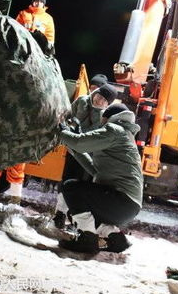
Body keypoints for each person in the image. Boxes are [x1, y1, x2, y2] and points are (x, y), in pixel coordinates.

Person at [0, 0, 57, 206]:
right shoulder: (23, 14)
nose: (37, 3)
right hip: (20, 55)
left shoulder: (48, 20)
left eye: (40, 1)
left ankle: (15, 196)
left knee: (18, 158)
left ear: (44, 3)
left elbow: (50, 43)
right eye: (35, 0)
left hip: (37, 56)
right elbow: (14, 32)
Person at [57, 103, 143, 254]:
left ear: (107, 117)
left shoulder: (114, 130)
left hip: (120, 201)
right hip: (127, 206)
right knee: (79, 210)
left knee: (71, 188)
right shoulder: (125, 134)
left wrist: (62, 132)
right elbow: (94, 169)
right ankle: (117, 240)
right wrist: (73, 144)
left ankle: (87, 240)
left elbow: (79, 143)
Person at [53, 83, 119, 228]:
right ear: (95, 92)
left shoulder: (105, 115)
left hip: (88, 156)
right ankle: (59, 213)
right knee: (66, 180)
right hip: (73, 150)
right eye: (99, 96)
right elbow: (66, 115)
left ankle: (76, 219)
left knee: (81, 185)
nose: (99, 101)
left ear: (108, 104)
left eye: (104, 101)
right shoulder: (82, 101)